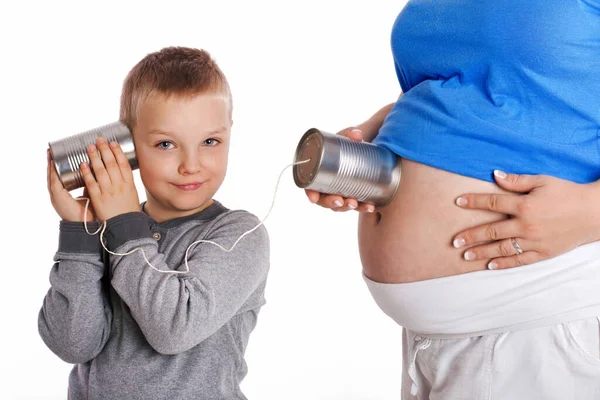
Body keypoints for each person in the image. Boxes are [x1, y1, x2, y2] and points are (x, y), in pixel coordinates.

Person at [306, 1, 600, 399]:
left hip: (541, 320)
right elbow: (489, 85)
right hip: (435, 342)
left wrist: (591, 210)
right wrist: (385, 127)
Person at [39, 47, 270, 400]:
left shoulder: (239, 234)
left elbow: (174, 328)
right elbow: (73, 344)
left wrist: (125, 225)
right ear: (126, 145)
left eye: (210, 141)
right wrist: (79, 233)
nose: (190, 165)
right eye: (165, 144)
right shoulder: (105, 232)